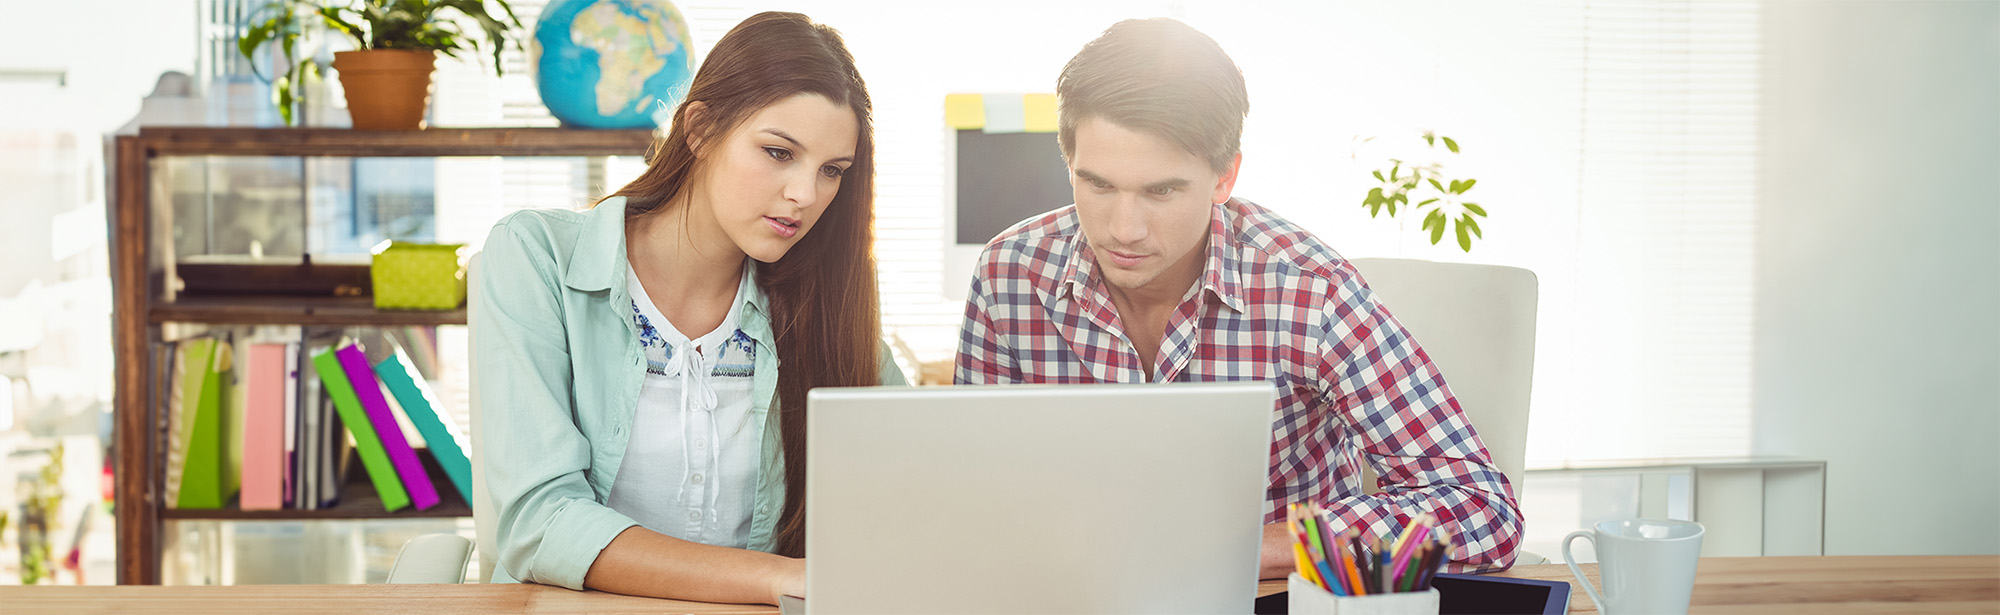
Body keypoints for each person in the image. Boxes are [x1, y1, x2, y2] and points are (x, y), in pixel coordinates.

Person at [954, 18, 1521, 576]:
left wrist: (1257, 545)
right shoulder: (1010, 276)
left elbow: (1482, 510)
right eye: (1098, 184)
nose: (1123, 229)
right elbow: (973, 496)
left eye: (1161, 191)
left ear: (1225, 178)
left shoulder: (1308, 290)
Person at [473, 12, 903, 605]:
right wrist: (782, 578)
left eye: (832, 171)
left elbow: (911, 501)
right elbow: (539, 523)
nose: (805, 195)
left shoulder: (828, 311)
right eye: (779, 153)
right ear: (700, 130)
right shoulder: (535, 256)